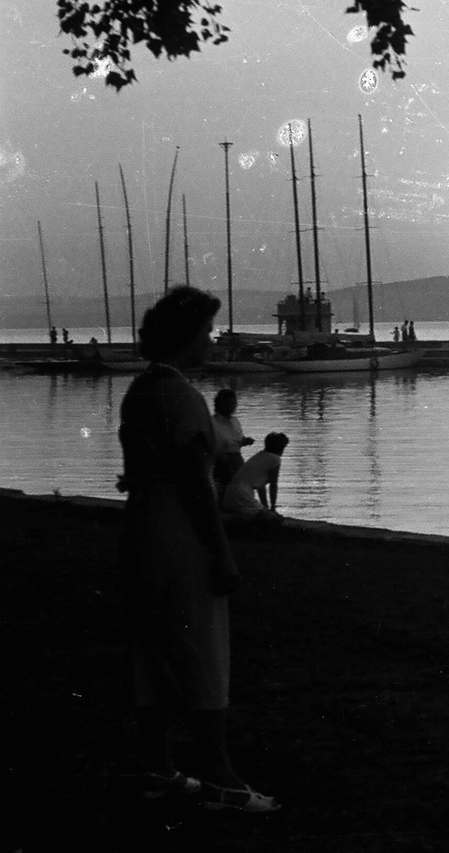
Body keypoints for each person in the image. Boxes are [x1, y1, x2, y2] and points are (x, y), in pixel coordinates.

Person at [116, 285, 277, 812]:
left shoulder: (140, 390)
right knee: (201, 648)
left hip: (140, 527)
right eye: (207, 331)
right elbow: (193, 484)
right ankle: (220, 778)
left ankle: (155, 766)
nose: (212, 339)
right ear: (188, 338)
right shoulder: (182, 396)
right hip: (177, 532)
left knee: (153, 647)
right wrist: (221, 553)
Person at [222, 433, 290, 516]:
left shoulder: (260, 456)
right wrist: (272, 508)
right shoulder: (275, 459)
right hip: (242, 495)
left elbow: (260, 487)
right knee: (272, 519)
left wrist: (265, 507)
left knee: (264, 514)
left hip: (229, 496)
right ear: (280, 448)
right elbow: (273, 485)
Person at [211, 388, 254, 498]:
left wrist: (244, 441)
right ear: (220, 404)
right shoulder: (212, 422)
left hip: (236, 458)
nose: (231, 406)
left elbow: (237, 439)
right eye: (228, 403)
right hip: (221, 460)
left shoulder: (235, 421)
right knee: (226, 491)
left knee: (240, 489)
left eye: (233, 403)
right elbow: (214, 444)